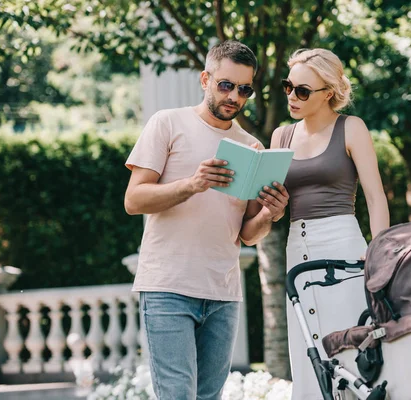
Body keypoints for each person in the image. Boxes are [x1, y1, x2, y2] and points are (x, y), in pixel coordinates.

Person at [124, 40, 289, 400]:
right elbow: (134, 200)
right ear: (205, 79)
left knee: (209, 397)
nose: (234, 96)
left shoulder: (252, 147)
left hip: (223, 293)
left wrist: (270, 214)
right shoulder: (167, 123)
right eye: (225, 85)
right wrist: (192, 184)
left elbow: (247, 234)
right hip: (168, 288)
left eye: (244, 89)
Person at [270, 48, 390, 399]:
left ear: (329, 93)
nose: (292, 96)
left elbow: (376, 198)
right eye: (288, 86)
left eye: (303, 91)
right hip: (297, 248)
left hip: (344, 249)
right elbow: (275, 210)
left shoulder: (351, 128)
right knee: (307, 350)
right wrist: (269, 208)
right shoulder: (281, 137)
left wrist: (378, 262)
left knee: (351, 345)